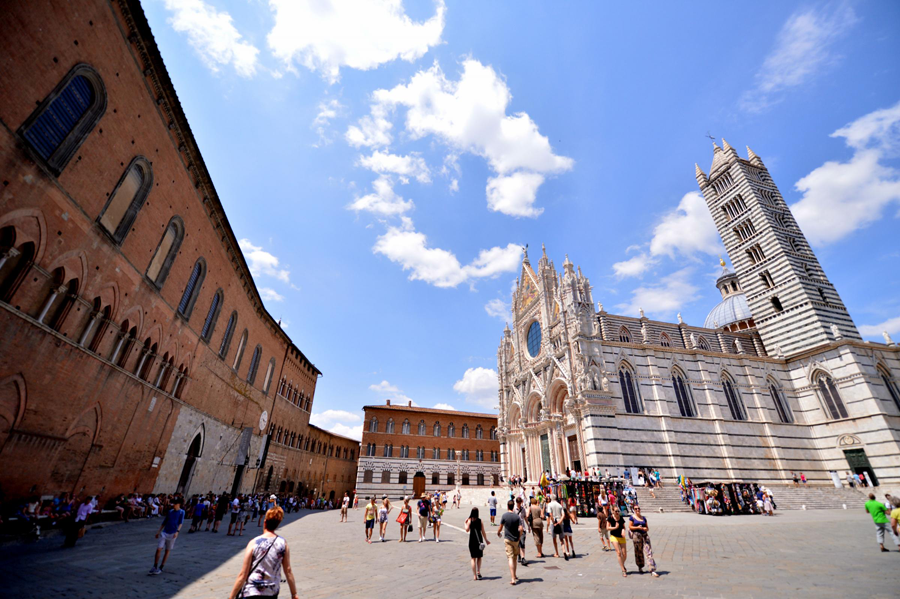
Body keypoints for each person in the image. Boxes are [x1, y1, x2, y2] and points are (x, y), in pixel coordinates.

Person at [228, 506, 298, 599]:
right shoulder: (283, 543)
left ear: (264, 523)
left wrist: (231, 596)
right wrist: (294, 594)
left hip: (252, 591)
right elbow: (288, 570)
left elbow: (243, 574)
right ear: (278, 524)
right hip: (271, 592)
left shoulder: (254, 542)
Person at [149, 498, 184, 575]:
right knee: (159, 548)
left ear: (178, 504)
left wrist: (177, 531)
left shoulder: (181, 512)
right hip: (165, 532)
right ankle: (155, 566)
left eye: (174, 504)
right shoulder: (170, 512)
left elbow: (181, 523)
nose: (173, 505)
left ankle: (161, 567)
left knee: (167, 550)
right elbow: (164, 522)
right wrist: (158, 531)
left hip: (173, 533)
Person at [497, 500, 524, 586]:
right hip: (516, 539)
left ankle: (512, 578)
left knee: (510, 558)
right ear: (513, 506)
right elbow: (521, 528)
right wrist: (519, 536)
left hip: (508, 539)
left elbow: (500, 527)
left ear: (508, 506)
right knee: (515, 558)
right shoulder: (517, 517)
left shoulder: (504, 515)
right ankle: (515, 575)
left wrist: (498, 533)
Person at [628, 505, 659, 577]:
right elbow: (630, 527)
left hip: (645, 535)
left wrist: (645, 529)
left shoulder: (644, 518)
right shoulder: (632, 517)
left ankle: (652, 569)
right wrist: (637, 527)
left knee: (649, 552)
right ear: (634, 510)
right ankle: (640, 566)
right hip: (636, 536)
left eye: (638, 508)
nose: (637, 510)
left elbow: (647, 528)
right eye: (636, 509)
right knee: (638, 552)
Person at [465, 508, 490, 580]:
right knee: (479, 557)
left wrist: (465, 523)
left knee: (473, 558)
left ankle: (474, 575)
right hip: (479, 540)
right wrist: (486, 540)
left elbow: (467, 530)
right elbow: (483, 531)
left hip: (472, 540)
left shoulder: (469, 520)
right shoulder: (480, 521)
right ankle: (478, 571)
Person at [609, 508, 628, 576]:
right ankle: (623, 570)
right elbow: (607, 528)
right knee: (619, 553)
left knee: (625, 554)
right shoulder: (610, 518)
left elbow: (623, 527)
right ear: (613, 511)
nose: (617, 512)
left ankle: (622, 564)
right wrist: (615, 527)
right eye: (616, 511)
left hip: (621, 537)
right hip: (614, 536)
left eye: (618, 511)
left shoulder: (621, 518)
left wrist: (623, 530)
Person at [547, 494, 565, 558]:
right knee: (561, 538)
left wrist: (554, 522)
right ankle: (564, 550)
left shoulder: (549, 505)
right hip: (560, 522)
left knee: (554, 538)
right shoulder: (560, 505)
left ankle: (557, 553)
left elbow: (550, 514)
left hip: (553, 522)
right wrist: (560, 521)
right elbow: (563, 515)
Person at [514, 496, 528, 566]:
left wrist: (528, 525)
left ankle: (523, 558)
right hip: (516, 529)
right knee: (517, 543)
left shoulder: (523, 509)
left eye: (520, 503)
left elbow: (525, 517)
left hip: (523, 528)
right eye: (518, 503)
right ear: (516, 502)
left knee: (522, 542)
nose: (519, 504)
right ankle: (519, 555)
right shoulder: (514, 510)